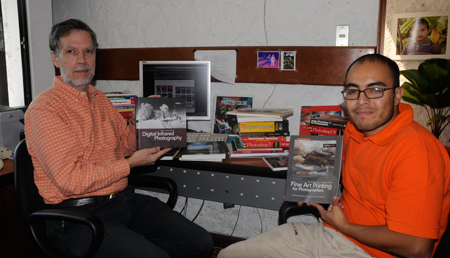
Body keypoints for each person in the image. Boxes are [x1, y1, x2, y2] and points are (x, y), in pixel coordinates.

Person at [218, 54, 450, 258]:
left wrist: (344, 226)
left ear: (398, 95)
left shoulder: (418, 152)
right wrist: (311, 184)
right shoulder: (355, 127)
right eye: (352, 91)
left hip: (372, 252)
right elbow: (349, 171)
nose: (361, 101)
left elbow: (417, 247)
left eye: (375, 89)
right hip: (332, 236)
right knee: (228, 254)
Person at [24, 19, 213, 258]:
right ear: (55, 58)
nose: (82, 60)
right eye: (71, 51)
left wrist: (144, 121)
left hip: (122, 202)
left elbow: (125, 143)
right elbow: (69, 180)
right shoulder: (46, 110)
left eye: (89, 51)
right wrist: (130, 164)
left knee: (200, 242)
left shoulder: (99, 98)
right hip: (77, 217)